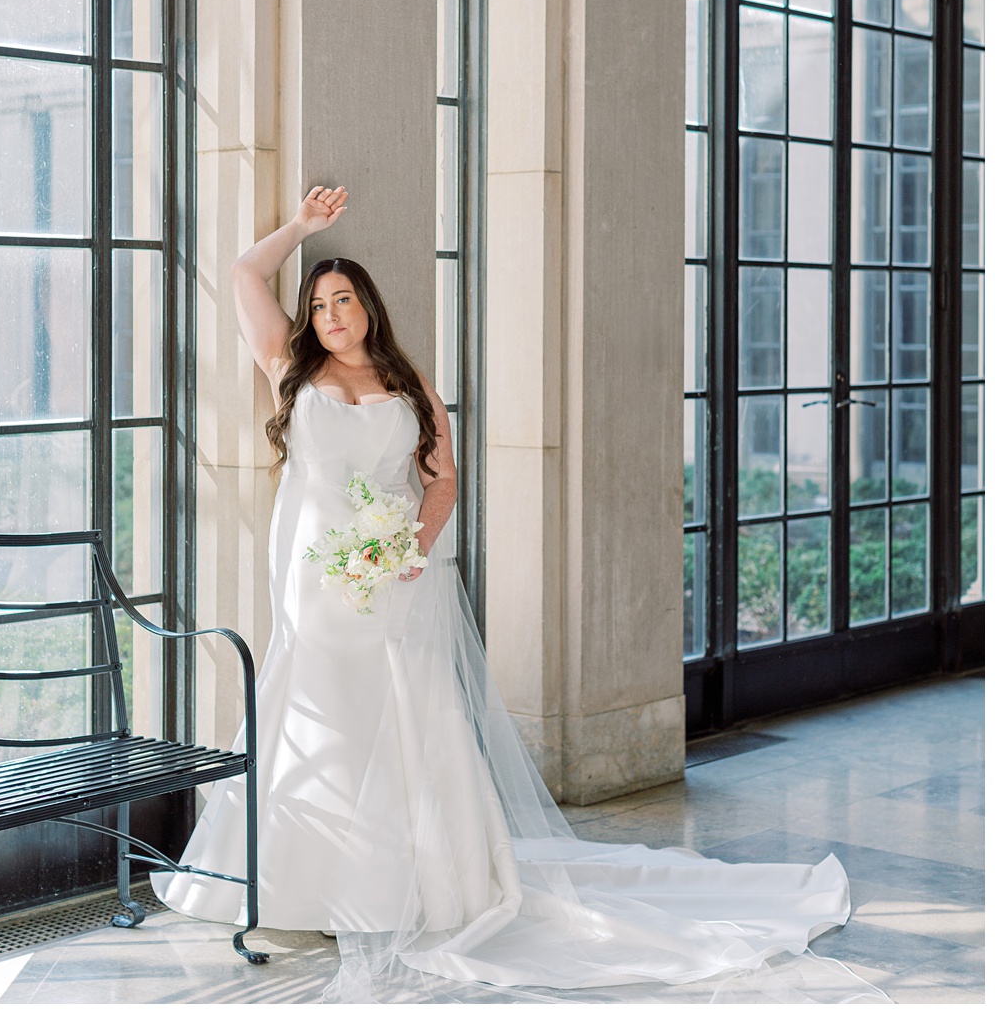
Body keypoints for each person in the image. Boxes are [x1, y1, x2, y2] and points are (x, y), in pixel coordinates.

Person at [155, 184, 873, 1001]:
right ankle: (299, 885)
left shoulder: (408, 381)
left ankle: (403, 884)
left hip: (388, 584)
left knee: (399, 721)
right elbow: (244, 272)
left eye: (343, 298)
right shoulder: (293, 366)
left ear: (368, 306)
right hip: (313, 591)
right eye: (319, 304)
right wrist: (302, 228)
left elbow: (442, 479)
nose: (331, 314)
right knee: (313, 720)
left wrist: (411, 546)